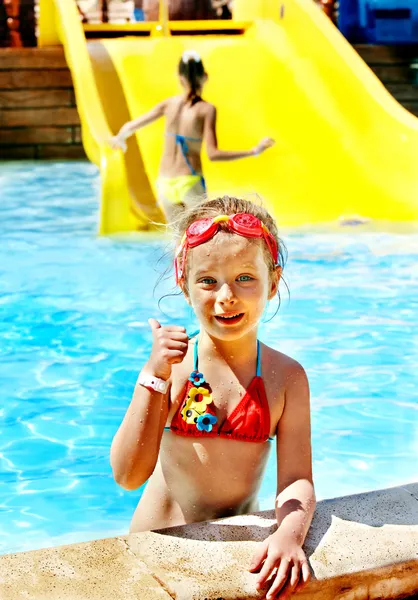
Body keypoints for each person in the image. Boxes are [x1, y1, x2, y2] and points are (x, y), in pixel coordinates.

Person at [110, 196, 315, 599]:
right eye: (207, 281)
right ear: (183, 286)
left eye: (245, 278)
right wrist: (152, 378)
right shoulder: (175, 368)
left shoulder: (286, 377)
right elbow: (128, 476)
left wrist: (288, 536)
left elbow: (296, 480)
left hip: (234, 550)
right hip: (157, 547)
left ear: (273, 283)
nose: (226, 296)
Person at [110, 52, 274, 222]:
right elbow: (213, 154)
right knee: (201, 237)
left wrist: (119, 139)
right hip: (189, 182)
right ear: (205, 77)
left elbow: (130, 126)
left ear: (180, 78)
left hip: (165, 183)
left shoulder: (169, 104)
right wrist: (253, 151)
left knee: (178, 243)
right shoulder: (206, 109)